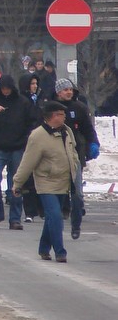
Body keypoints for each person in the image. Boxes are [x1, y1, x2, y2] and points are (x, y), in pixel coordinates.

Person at [12, 101, 79, 263]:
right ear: (52, 116)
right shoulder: (38, 135)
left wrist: (75, 167)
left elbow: (73, 152)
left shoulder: (66, 132)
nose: (64, 117)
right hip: (46, 182)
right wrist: (17, 183)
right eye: (61, 114)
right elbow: (28, 162)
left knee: (51, 218)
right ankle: (60, 251)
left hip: (64, 182)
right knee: (55, 216)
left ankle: (43, 248)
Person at [0, 74, 37, 230]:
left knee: (16, 184)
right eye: (3, 89)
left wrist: (26, 138)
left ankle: (15, 218)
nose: (5, 91)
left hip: (17, 147)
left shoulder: (23, 102)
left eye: (8, 89)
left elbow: (32, 121)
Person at [52, 79, 97, 240]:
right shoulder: (50, 108)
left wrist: (93, 143)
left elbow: (88, 130)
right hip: (54, 157)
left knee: (77, 193)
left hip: (75, 155)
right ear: (58, 92)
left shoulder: (80, 108)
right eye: (65, 90)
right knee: (57, 193)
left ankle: (76, 224)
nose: (69, 92)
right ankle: (58, 219)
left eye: (70, 89)